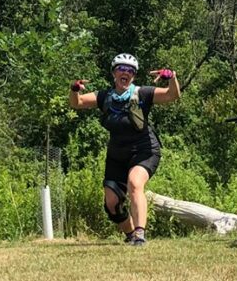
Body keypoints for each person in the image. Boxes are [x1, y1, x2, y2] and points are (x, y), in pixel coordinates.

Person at [69, 53, 182, 246]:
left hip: (144, 150)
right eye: (121, 68)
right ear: (114, 73)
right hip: (117, 155)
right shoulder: (104, 96)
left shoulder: (142, 93)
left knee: (135, 184)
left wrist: (171, 77)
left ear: (134, 75)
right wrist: (74, 89)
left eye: (130, 70)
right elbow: (76, 103)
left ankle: (140, 234)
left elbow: (173, 95)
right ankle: (130, 235)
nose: (126, 72)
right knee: (112, 205)